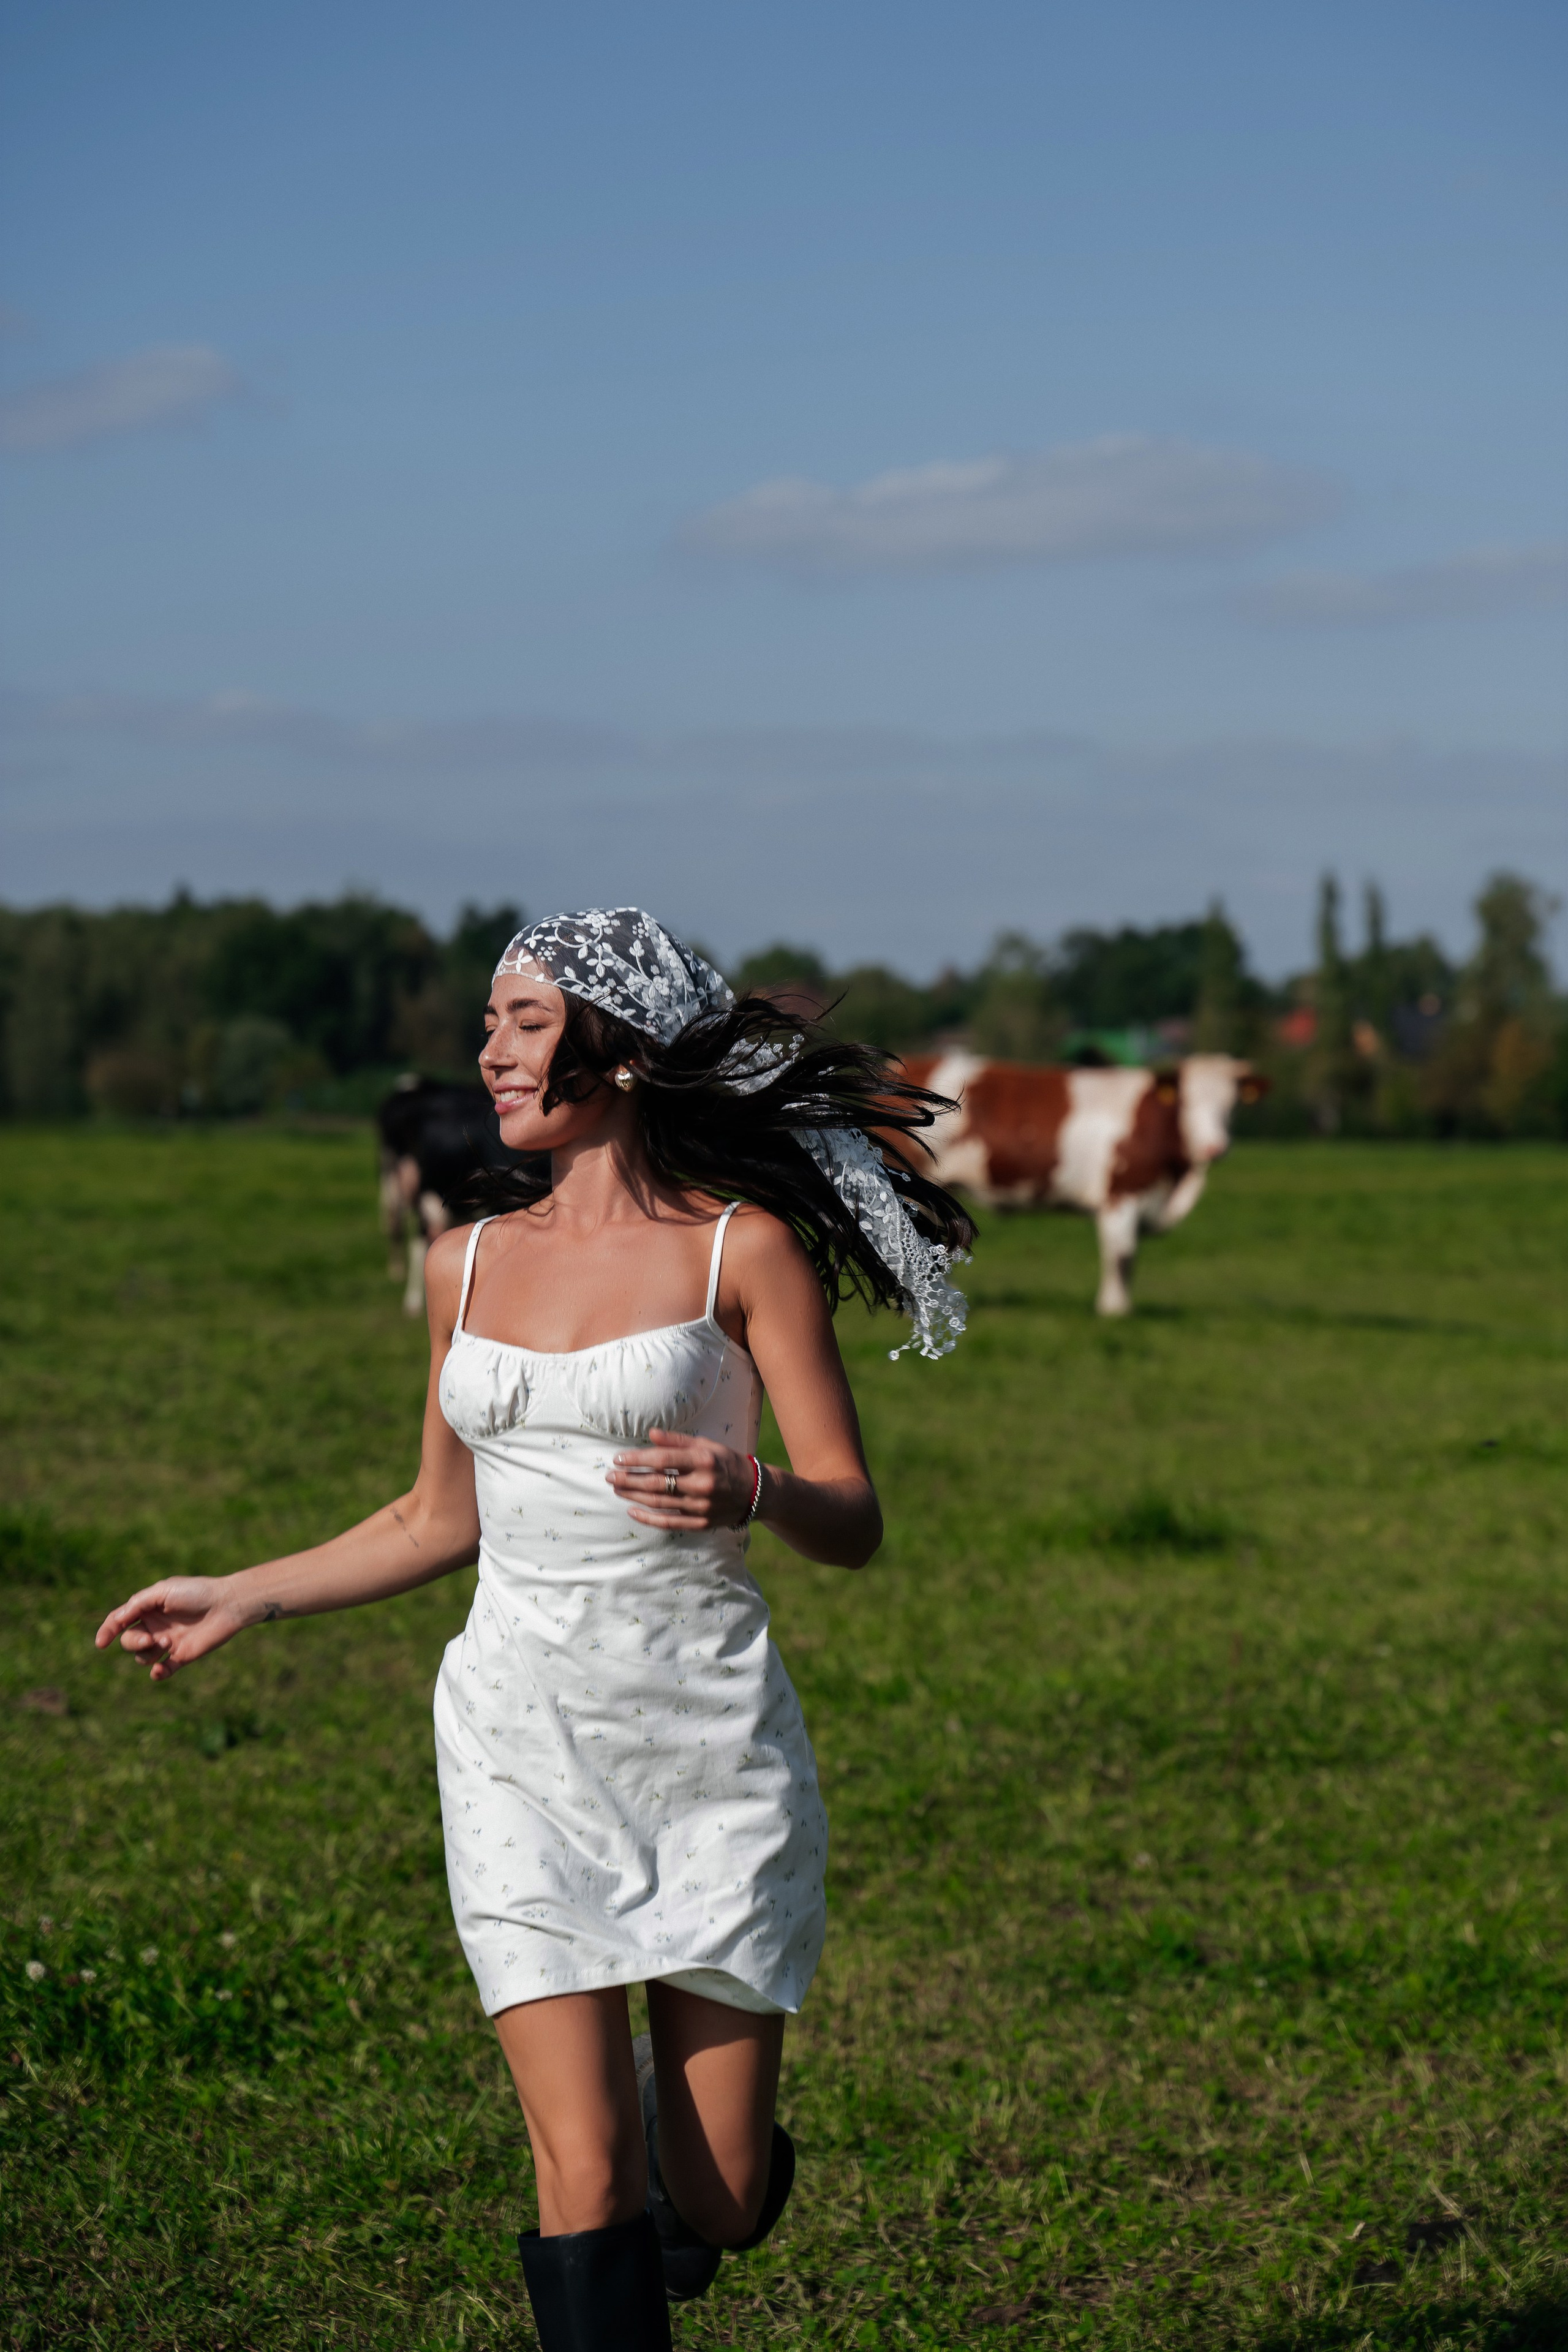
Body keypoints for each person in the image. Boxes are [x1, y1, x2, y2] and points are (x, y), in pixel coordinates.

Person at [96, 908, 972, 2350]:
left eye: (521, 1022)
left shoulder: (738, 1257)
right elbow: (437, 1520)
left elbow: (853, 1515)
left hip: (704, 1748)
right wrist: (242, 1589)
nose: (487, 1052)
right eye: (489, 1022)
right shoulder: (463, 1263)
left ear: (617, 1053)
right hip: (517, 1740)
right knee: (582, 2179)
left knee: (725, 2194)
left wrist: (750, 1488)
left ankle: (701, 2170)